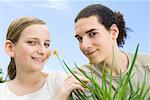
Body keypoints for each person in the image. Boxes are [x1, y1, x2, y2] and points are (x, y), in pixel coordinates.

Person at [73, 4, 150, 99]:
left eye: (93, 34)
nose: (84, 45)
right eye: (80, 39)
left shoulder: (147, 65)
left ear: (113, 32)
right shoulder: (81, 77)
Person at [0, 16, 86, 100]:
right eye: (32, 42)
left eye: (46, 44)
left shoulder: (60, 82)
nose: (43, 51)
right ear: (10, 48)